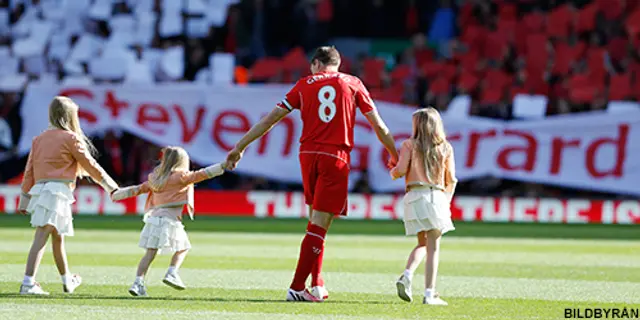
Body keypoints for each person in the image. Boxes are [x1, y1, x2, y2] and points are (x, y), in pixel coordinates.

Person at [224, 46, 399, 302]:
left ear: (317, 64)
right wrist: (394, 154)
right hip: (335, 156)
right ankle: (296, 287)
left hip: (307, 155)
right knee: (320, 224)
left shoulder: (304, 84)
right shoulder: (352, 82)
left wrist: (239, 147)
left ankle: (316, 284)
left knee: (315, 221)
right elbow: (379, 126)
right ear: (336, 64)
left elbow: (268, 120)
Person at [17, 96, 119, 295]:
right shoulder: (70, 138)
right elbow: (91, 166)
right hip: (57, 191)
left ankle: (67, 280)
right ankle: (28, 282)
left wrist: (25, 198)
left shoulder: (38, 140)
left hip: (42, 191)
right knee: (42, 236)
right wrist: (111, 186)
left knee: (57, 237)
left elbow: (29, 171)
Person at [110, 146, 225, 297]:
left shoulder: (156, 178)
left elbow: (137, 189)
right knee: (183, 248)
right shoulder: (181, 177)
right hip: (170, 220)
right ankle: (172, 272)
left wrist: (117, 195)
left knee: (150, 253)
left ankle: (138, 283)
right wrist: (223, 166)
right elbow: (203, 174)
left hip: (153, 220)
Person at [390, 107, 457, 305]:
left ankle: (407, 274)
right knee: (434, 248)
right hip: (435, 195)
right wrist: (446, 202)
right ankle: (430, 293)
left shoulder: (409, 144)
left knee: (422, 244)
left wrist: (392, 171)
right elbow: (451, 179)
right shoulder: (445, 147)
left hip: (413, 195)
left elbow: (401, 170)